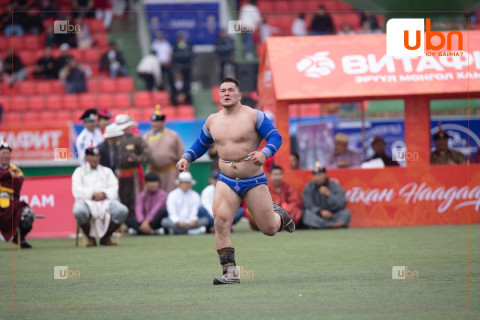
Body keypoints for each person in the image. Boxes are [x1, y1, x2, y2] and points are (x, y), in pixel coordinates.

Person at [176, 78, 295, 285]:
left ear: (239, 95)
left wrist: (265, 153)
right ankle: (230, 274)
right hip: (226, 179)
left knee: (268, 229)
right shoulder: (212, 120)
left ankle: (279, 215)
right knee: (221, 221)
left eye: (231, 90)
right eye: (223, 90)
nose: (227, 93)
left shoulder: (254, 116)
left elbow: (276, 137)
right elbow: (201, 144)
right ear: (219, 95)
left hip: (253, 179)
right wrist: (186, 157)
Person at [72, 146, 128, 246]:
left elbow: (114, 188)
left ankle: (106, 237)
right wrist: (91, 194)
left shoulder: (107, 171)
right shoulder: (79, 172)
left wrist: (104, 194)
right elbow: (77, 190)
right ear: (86, 158)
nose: (95, 158)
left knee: (122, 211)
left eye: (97, 156)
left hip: (105, 201)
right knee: (78, 211)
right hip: (87, 202)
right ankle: (90, 238)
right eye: (92, 156)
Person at [0, 139, 35, 248]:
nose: (6, 156)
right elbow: (10, 181)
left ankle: (20, 238)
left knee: (27, 214)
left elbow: (17, 185)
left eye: (8, 153)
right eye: (3, 153)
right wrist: (7, 175)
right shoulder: (11, 172)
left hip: (11, 203)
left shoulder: (16, 170)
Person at [143, 105, 184, 192]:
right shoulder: (146, 137)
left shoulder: (173, 135)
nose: (155, 124)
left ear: (163, 122)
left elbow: (182, 154)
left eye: (157, 121)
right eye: (153, 121)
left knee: (170, 196)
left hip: (169, 173)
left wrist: (183, 173)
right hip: (152, 173)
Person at [115, 114, 148, 223]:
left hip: (133, 174)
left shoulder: (137, 139)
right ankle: (119, 224)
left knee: (135, 199)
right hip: (117, 175)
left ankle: (134, 223)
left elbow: (146, 156)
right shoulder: (113, 139)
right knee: (118, 198)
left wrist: (137, 158)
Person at [172, 32, 193, 105]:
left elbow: (191, 56)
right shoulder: (175, 47)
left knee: (188, 92)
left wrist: (184, 94)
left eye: (182, 38)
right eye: (179, 38)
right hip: (179, 66)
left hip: (187, 67)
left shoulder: (188, 46)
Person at [151, 32, 174, 96]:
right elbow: (154, 55)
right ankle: (160, 89)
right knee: (159, 77)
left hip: (167, 63)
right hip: (159, 64)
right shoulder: (154, 44)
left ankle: (170, 88)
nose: (160, 38)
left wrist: (169, 61)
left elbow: (170, 53)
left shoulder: (166, 44)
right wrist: (160, 63)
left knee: (169, 76)